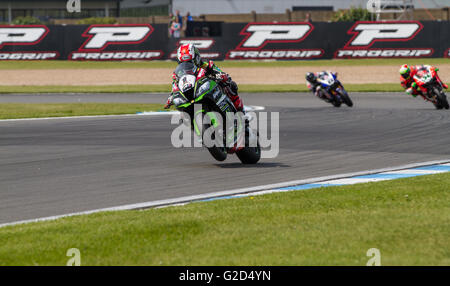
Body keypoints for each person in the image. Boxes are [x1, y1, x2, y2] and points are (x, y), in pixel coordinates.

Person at [164, 43, 246, 115]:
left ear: (196, 58)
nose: (186, 65)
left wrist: (221, 76)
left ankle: (241, 112)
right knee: (182, 114)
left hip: (210, 88)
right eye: (183, 63)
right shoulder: (177, 74)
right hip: (193, 93)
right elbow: (174, 87)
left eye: (190, 62)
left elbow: (221, 73)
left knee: (231, 85)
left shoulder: (207, 65)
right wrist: (171, 97)